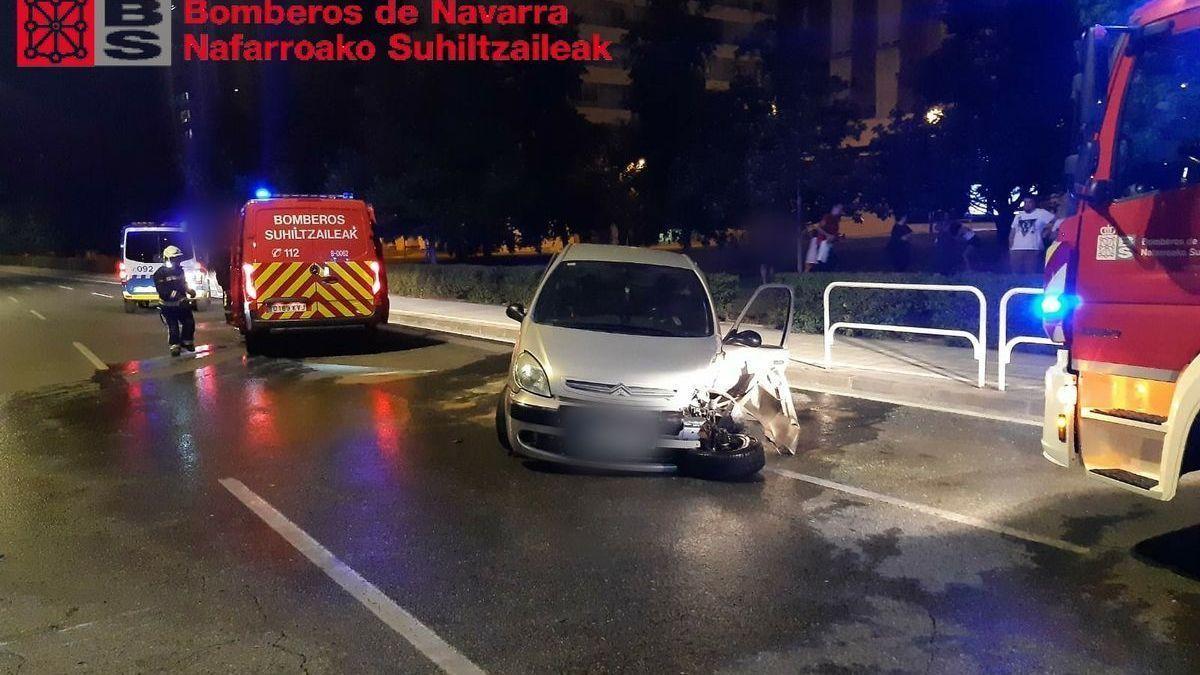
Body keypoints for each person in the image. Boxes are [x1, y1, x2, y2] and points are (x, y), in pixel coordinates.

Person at [153, 245, 196, 357]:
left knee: (189, 322)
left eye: (178, 259)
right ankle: (174, 346)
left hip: (181, 304)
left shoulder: (179, 270)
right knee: (173, 326)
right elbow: (162, 291)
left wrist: (189, 290)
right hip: (168, 307)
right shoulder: (160, 273)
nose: (177, 261)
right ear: (167, 258)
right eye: (174, 258)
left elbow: (183, 284)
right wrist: (177, 296)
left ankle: (187, 342)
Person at [1008, 197, 1055, 274]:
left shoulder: (1041, 213)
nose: (1027, 205)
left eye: (1029, 202)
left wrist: (1049, 231)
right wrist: (1010, 247)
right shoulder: (1019, 215)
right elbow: (1013, 231)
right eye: (1025, 202)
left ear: (1034, 203)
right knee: (1015, 274)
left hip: (1033, 248)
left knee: (1031, 274)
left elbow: (1056, 221)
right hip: (1016, 249)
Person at [805, 204, 844, 272]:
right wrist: (827, 235)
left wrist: (836, 237)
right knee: (811, 261)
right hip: (819, 241)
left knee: (829, 259)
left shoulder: (836, 221)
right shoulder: (827, 217)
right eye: (839, 209)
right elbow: (818, 227)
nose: (840, 211)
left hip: (828, 243)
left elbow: (833, 233)